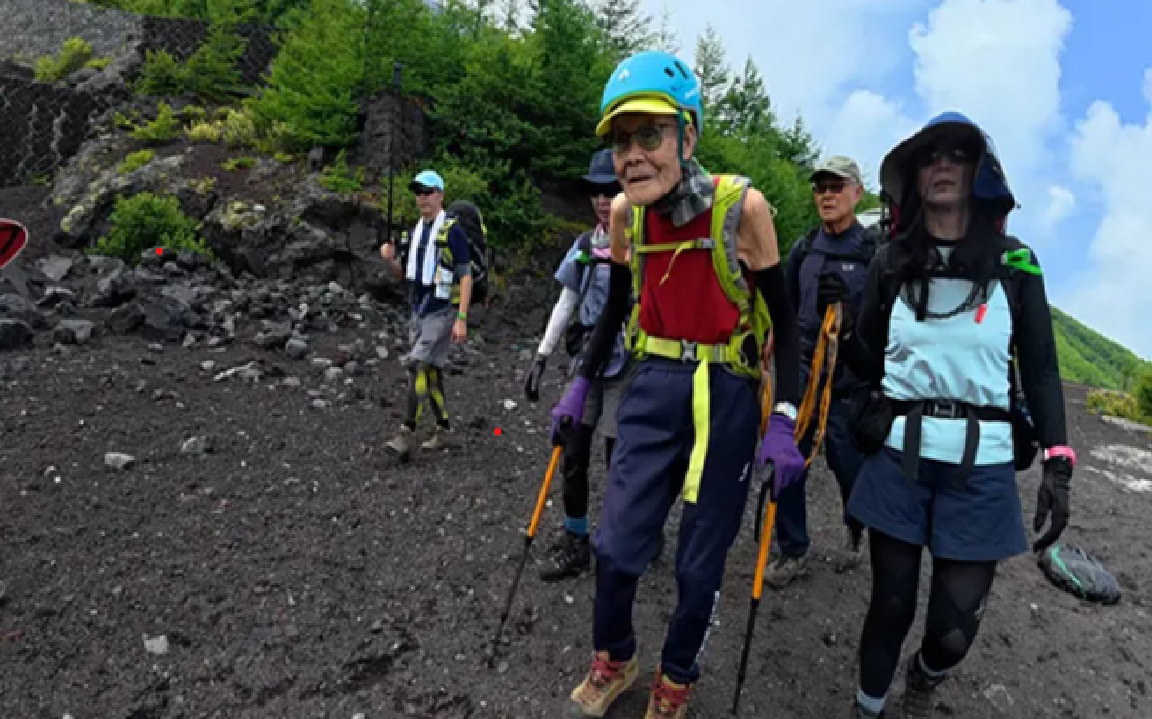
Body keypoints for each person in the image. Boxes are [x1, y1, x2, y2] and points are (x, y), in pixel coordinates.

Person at [551, 50, 806, 718]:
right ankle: (616, 657)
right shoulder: (626, 216)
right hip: (654, 381)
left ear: (687, 137)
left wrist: (784, 418)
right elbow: (616, 309)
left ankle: (677, 679)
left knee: (699, 562)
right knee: (614, 545)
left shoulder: (742, 209)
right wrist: (580, 384)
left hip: (726, 391)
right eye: (620, 140)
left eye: (649, 135)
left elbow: (787, 324)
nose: (631, 156)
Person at [837, 112, 1075, 719]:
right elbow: (864, 359)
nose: (942, 164)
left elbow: (1042, 368)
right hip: (898, 456)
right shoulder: (890, 262)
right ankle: (867, 708)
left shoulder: (1017, 265)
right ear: (914, 176)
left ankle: (926, 673)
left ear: (979, 171)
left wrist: (1058, 462)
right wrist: (842, 332)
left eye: (958, 154)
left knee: (953, 628)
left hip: (982, 466)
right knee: (890, 603)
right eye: (930, 155)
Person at [525, 148, 666, 581]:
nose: (603, 200)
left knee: (619, 458)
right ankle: (576, 539)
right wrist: (542, 355)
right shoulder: (584, 247)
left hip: (629, 362)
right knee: (573, 452)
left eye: (610, 190)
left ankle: (633, 534)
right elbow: (566, 301)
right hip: (586, 361)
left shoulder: (644, 244)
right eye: (596, 192)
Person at [768, 155, 879, 588]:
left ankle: (855, 525)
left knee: (847, 465)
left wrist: (849, 314)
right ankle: (793, 548)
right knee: (787, 458)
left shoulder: (872, 253)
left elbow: (881, 323)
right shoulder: (805, 248)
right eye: (820, 188)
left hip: (848, 379)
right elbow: (786, 307)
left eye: (836, 187)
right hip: (800, 373)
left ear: (857, 193)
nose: (827, 196)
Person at [379, 169, 473, 456]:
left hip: (442, 311)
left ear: (440, 195)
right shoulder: (413, 233)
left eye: (428, 192)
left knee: (417, 364)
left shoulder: (453, 231)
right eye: (418, 193)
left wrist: (461, 318)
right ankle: (444, 429)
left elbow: (465, 276)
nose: (423, 198)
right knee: (431, 370)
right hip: (418, 311)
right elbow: (402, 275)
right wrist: (390, 261)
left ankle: (406, 433)